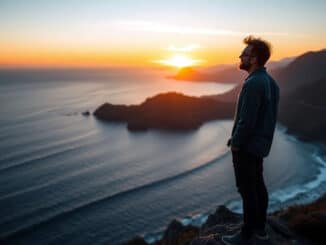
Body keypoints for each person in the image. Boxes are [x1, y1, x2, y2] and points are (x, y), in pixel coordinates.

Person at [222, 36, 280, 245]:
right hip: (259, 146)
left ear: (254, 58)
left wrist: (236, 143)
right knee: (257, 186)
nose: (240, 56)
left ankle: (247, 234)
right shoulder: (270, 82)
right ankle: (260, 229)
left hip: (247, 147)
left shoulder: (254, 83)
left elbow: (246, 121)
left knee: (247, 190)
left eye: (245, 54)